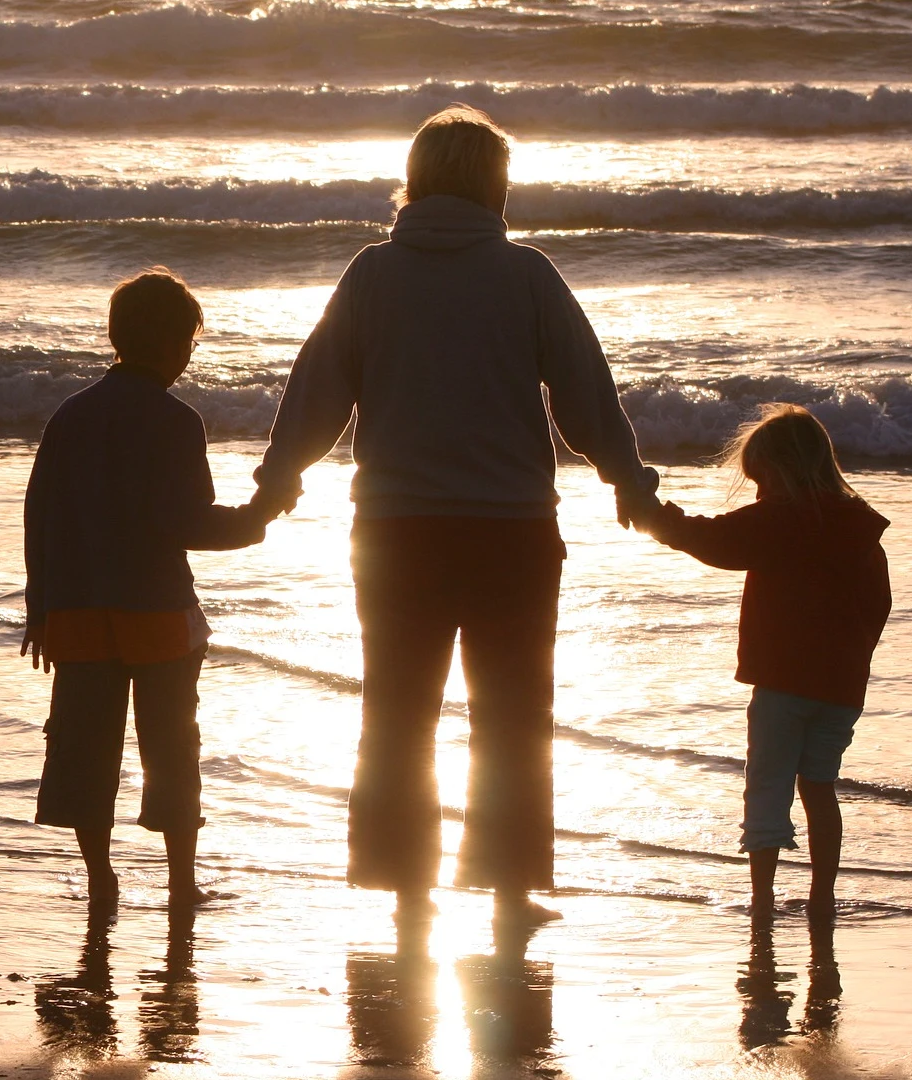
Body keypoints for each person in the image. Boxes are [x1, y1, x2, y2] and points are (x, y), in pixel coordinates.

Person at [249, 105, 660, 930]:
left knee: (398, 710)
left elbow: (318, 388)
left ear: (419, 180)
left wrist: (278, 477)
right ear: (493, 185)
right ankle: (511, 890)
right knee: (513, 713)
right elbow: (584, 391)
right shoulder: (526, 276)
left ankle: (407, 889)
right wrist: (627, 478)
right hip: (510, 529)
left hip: (397, 531)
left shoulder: (372, 274)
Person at [22, 267, 275, 907]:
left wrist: (40, 609)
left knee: (84, 747)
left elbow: (39, 514)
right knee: (171, 746)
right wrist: (259, 518)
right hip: (156, 609)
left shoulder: (70, 415)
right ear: (169, 344)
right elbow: (191, 523)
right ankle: (181, 883)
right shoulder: (177, 421)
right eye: (189, 342)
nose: (190, 354)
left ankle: (100, 877)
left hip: (76, 609)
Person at [634, 404, 890, 918]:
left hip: (781, 681)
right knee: (819, 787)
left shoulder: (781, 517)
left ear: (781, 471)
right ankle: (822, 896)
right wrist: (852, 658)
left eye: (760, 480)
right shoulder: (858, 528)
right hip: (841, 689)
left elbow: (712, 540)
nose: (757, 492)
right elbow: (878, 605)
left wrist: (652, 516)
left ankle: (762, 898)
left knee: (768, 788)